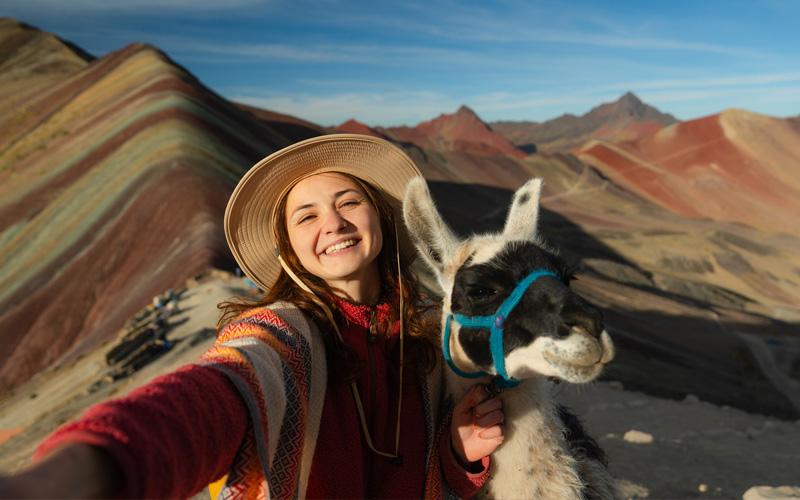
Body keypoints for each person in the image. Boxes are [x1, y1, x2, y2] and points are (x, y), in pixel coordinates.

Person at [0, 134, 504, 498]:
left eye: (349, 201)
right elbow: (213, 396)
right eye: (306, 215)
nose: (333, 223)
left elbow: (429, 479)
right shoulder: (282, 337)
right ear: (290, 249)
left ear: (380, 218)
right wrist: (89, 467)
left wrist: (459, 453)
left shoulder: (433, 339)